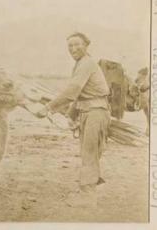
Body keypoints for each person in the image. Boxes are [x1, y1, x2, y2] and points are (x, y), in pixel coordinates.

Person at [37, 32, 110, 208]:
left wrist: (48, 108)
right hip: (88, 112)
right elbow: (79, 95)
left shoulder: (87, 63)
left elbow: (72, 91)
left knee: (89, 154)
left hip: (95, 113)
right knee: (88, 153)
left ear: (86, 45)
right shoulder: (81, 64)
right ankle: (87, 191)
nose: (73, 49)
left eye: (77, 44)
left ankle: (88, 196)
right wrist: (71, 115)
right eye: (70, 46)